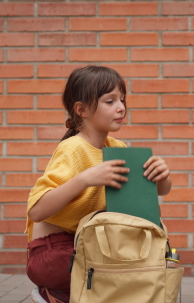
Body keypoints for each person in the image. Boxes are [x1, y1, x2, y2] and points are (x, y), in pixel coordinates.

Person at [25, 65, 172, 303]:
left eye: (122, 100)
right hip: (54, 251)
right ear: (81, 109)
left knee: (146, 264)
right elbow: (37, 210)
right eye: (110, 101)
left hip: (91, 244)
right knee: (115, 273)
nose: (121, 107)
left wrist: (162, 177)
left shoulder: (118, 149)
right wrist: (86, 179)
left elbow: (158, 192)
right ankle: (54, 294)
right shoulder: (72, 148)